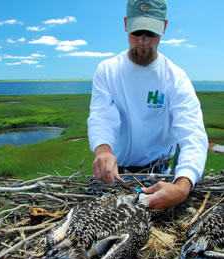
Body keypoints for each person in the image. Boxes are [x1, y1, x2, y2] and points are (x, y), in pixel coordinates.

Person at [87, 0, 208, 210]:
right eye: (137, 31)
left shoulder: (175, 77)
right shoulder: (107, 70)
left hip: (159, 175)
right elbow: (101, 118)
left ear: (164, 27)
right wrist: (103, 151)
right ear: (126, 24)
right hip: (115, 175)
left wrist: (182, 185)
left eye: (151, 33)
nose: (143, 41)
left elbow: (193, 134)